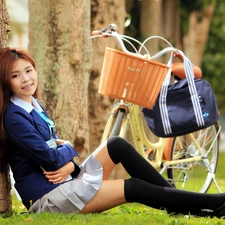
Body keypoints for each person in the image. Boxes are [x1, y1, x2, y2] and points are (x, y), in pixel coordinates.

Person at [0, 47, 225, 218]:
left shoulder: (34, 105)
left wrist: (69, 163)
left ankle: (180, 205)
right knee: (134, 187)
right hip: (48, 197)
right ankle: (216, 204)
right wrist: (69, 148)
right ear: (6, 81)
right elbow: (50, 158)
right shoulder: (14, 116)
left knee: (116, 144)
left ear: (35, 70)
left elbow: (54, 155)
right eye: (16, 75)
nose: (26, 79)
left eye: (28, 71)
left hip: (65, 180)